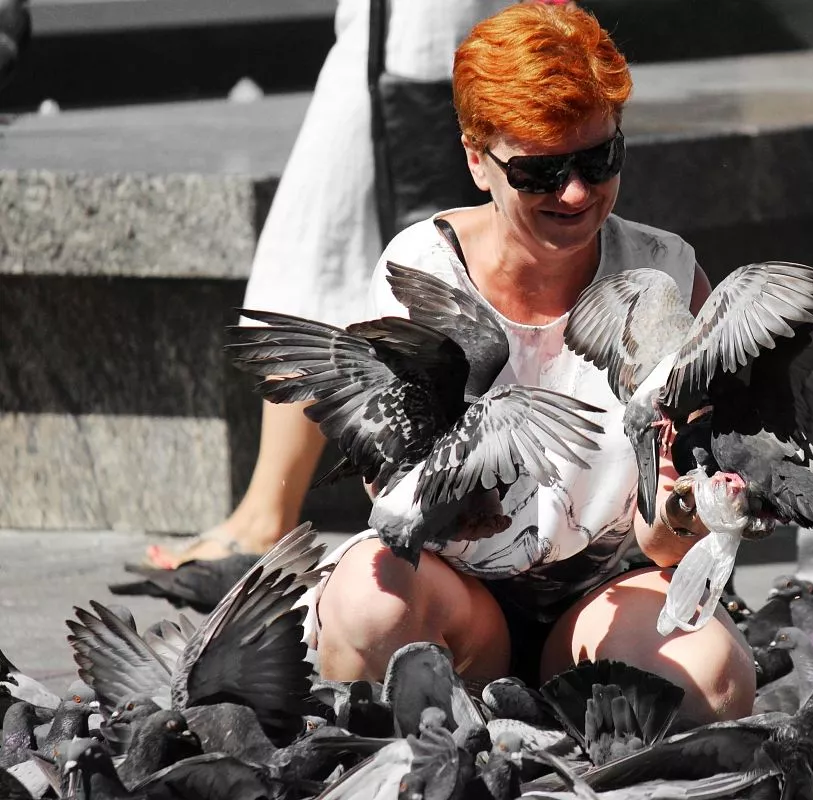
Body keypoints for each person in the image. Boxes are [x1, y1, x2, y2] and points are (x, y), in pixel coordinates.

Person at [306, 2, 757, 724]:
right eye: (540, 171)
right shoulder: (420, 270)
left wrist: (689, 508)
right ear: (476, 159)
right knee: (368, 606)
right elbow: (387, 488)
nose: (575, 192)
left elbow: (663, 544)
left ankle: (556, 712)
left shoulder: (667, 275)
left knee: (715, 685)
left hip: (604, 594)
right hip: (453, 595)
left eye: (598, 160)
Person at [145, 0, 508, 568]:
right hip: (396, 36)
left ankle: (269, 513)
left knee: (317, 235)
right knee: (326, 240)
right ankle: (270, 510)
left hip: (419, 38)